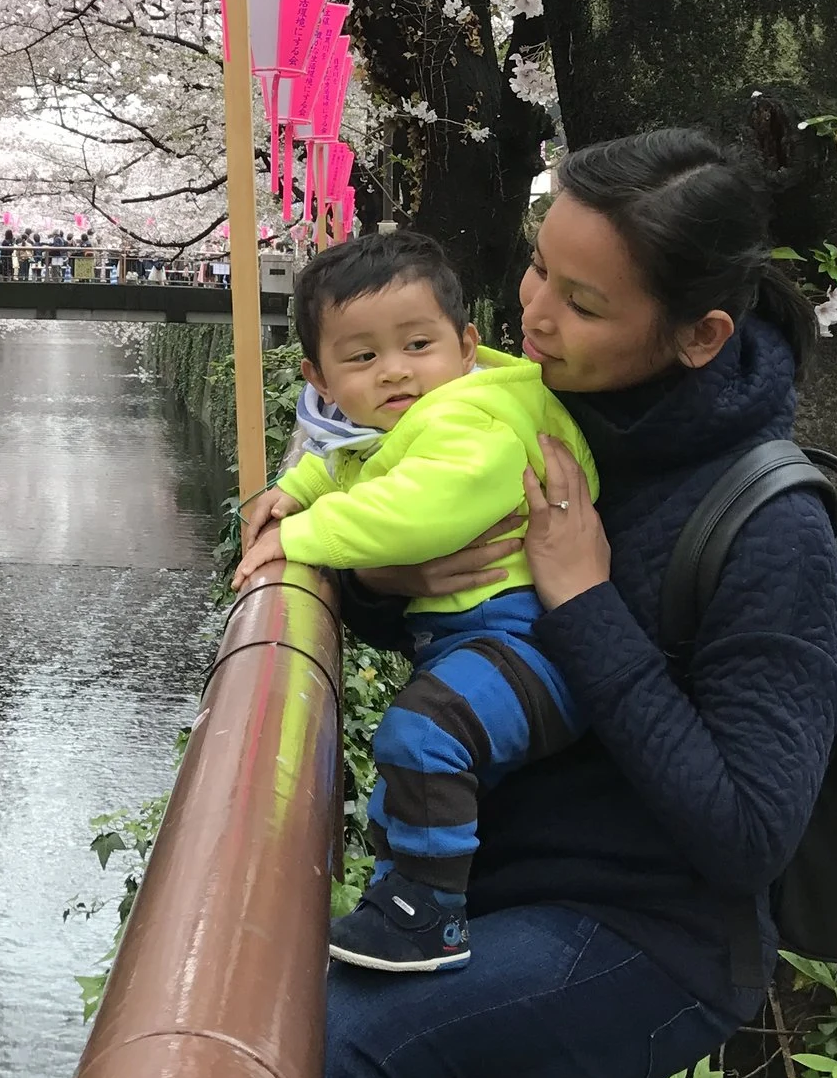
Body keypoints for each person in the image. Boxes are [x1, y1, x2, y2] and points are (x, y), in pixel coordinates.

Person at [314, 129, 837, 1078]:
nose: (533, 313)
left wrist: (586, 604)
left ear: (698, 336)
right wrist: (384, 573)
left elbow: (748, 834)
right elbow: (470, 618)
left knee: (329, 1054)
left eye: (583, 302)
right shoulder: (533, 411)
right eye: (536, 266)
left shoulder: (767, 524)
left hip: (647, 943)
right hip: (503, 889)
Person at [234, 230, 596, 972]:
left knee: (421, 739)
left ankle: (431, 918)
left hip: (535, 645)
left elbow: (422, 506)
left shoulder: (473, 420)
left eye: (417, 344)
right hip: (494, 644)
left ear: (466, 345)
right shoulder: (422, 419)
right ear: (320, 379)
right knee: (412, 772)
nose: (396, 371)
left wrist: (306, 533)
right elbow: (351, 465)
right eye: (363, 357)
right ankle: (400, 894)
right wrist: (293, 489)